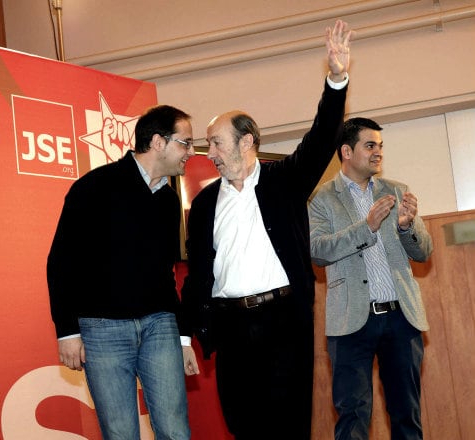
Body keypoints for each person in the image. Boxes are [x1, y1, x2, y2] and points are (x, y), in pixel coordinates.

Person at [179, 19, 352, 440]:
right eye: (207, 144)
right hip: (230, 329)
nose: (210, 153)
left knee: (288, 426)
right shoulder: (202, 205)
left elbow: (321, 137)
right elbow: (198, 276)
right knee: (243, 425)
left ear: (248, 142)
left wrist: (336, 79)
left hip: (283, 323)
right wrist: (186, 336)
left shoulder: (284, 181)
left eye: (217, 143)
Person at [47, 104, 196, 440]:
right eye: (184, 143)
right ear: (158, 142)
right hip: (102, 330)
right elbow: (61, 263)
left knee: (175, 429)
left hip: (160, 325)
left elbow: (167, 273)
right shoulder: (93, 188)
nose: (190, 151)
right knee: (120, 433)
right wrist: (67, 331)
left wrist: (181, 337)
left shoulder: (170, 201)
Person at [308, 117, 433, 440]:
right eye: (370, 145)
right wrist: (367, 228)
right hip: (351, 321)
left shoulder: (397, 191)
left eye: (380, 146)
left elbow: (424, 252)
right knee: (353, 416)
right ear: (346, 151)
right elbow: (318, 250)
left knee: (407, 412)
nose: (378, 152)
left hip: (401, 319)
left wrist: (407, 226)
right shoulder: (322, 199)